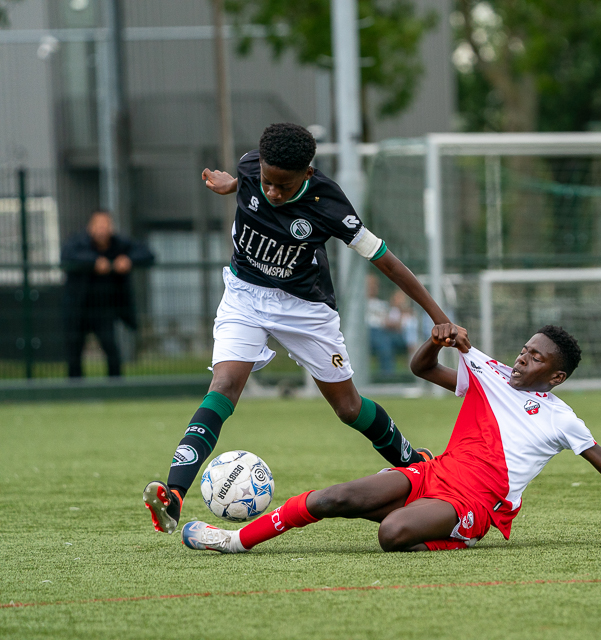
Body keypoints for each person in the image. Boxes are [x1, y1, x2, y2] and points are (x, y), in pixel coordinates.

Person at [143, 123, 453, 535]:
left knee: (348, 409)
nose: (272, 192)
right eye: (267, 182)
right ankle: (174, 494)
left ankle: (416, 466)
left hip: (305, 308)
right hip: (245, 294)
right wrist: (231, 184)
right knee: (224, 386)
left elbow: (387, 261)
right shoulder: (252, 167)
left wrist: (438, 316)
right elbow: (247, 181)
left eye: (284, 186)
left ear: (307, 173)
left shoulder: (330, 204)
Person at [179, 323, 601, 553]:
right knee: (333, 498)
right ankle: (234, 540)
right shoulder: (489, 374)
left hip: (472, 503)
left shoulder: (564, 420)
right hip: (432, 472)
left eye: (536, 358)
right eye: (525, 349)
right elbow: (421, 369)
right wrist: (435, 341)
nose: (523, 358)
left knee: (391, 535)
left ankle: (460, 534)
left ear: (556, 376)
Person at [60, 210, 155, 378]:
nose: (102, 230)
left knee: (111, 348)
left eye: (105, 225)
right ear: (90, 227)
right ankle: (75, 388)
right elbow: (67, 256)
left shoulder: (119, 244)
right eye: (98, 225)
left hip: (104, 309)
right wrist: (94, 262)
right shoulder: (77, 243)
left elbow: (147, 254)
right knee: (74, 350)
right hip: (78, 308)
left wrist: (128, 260)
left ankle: (115, 386)